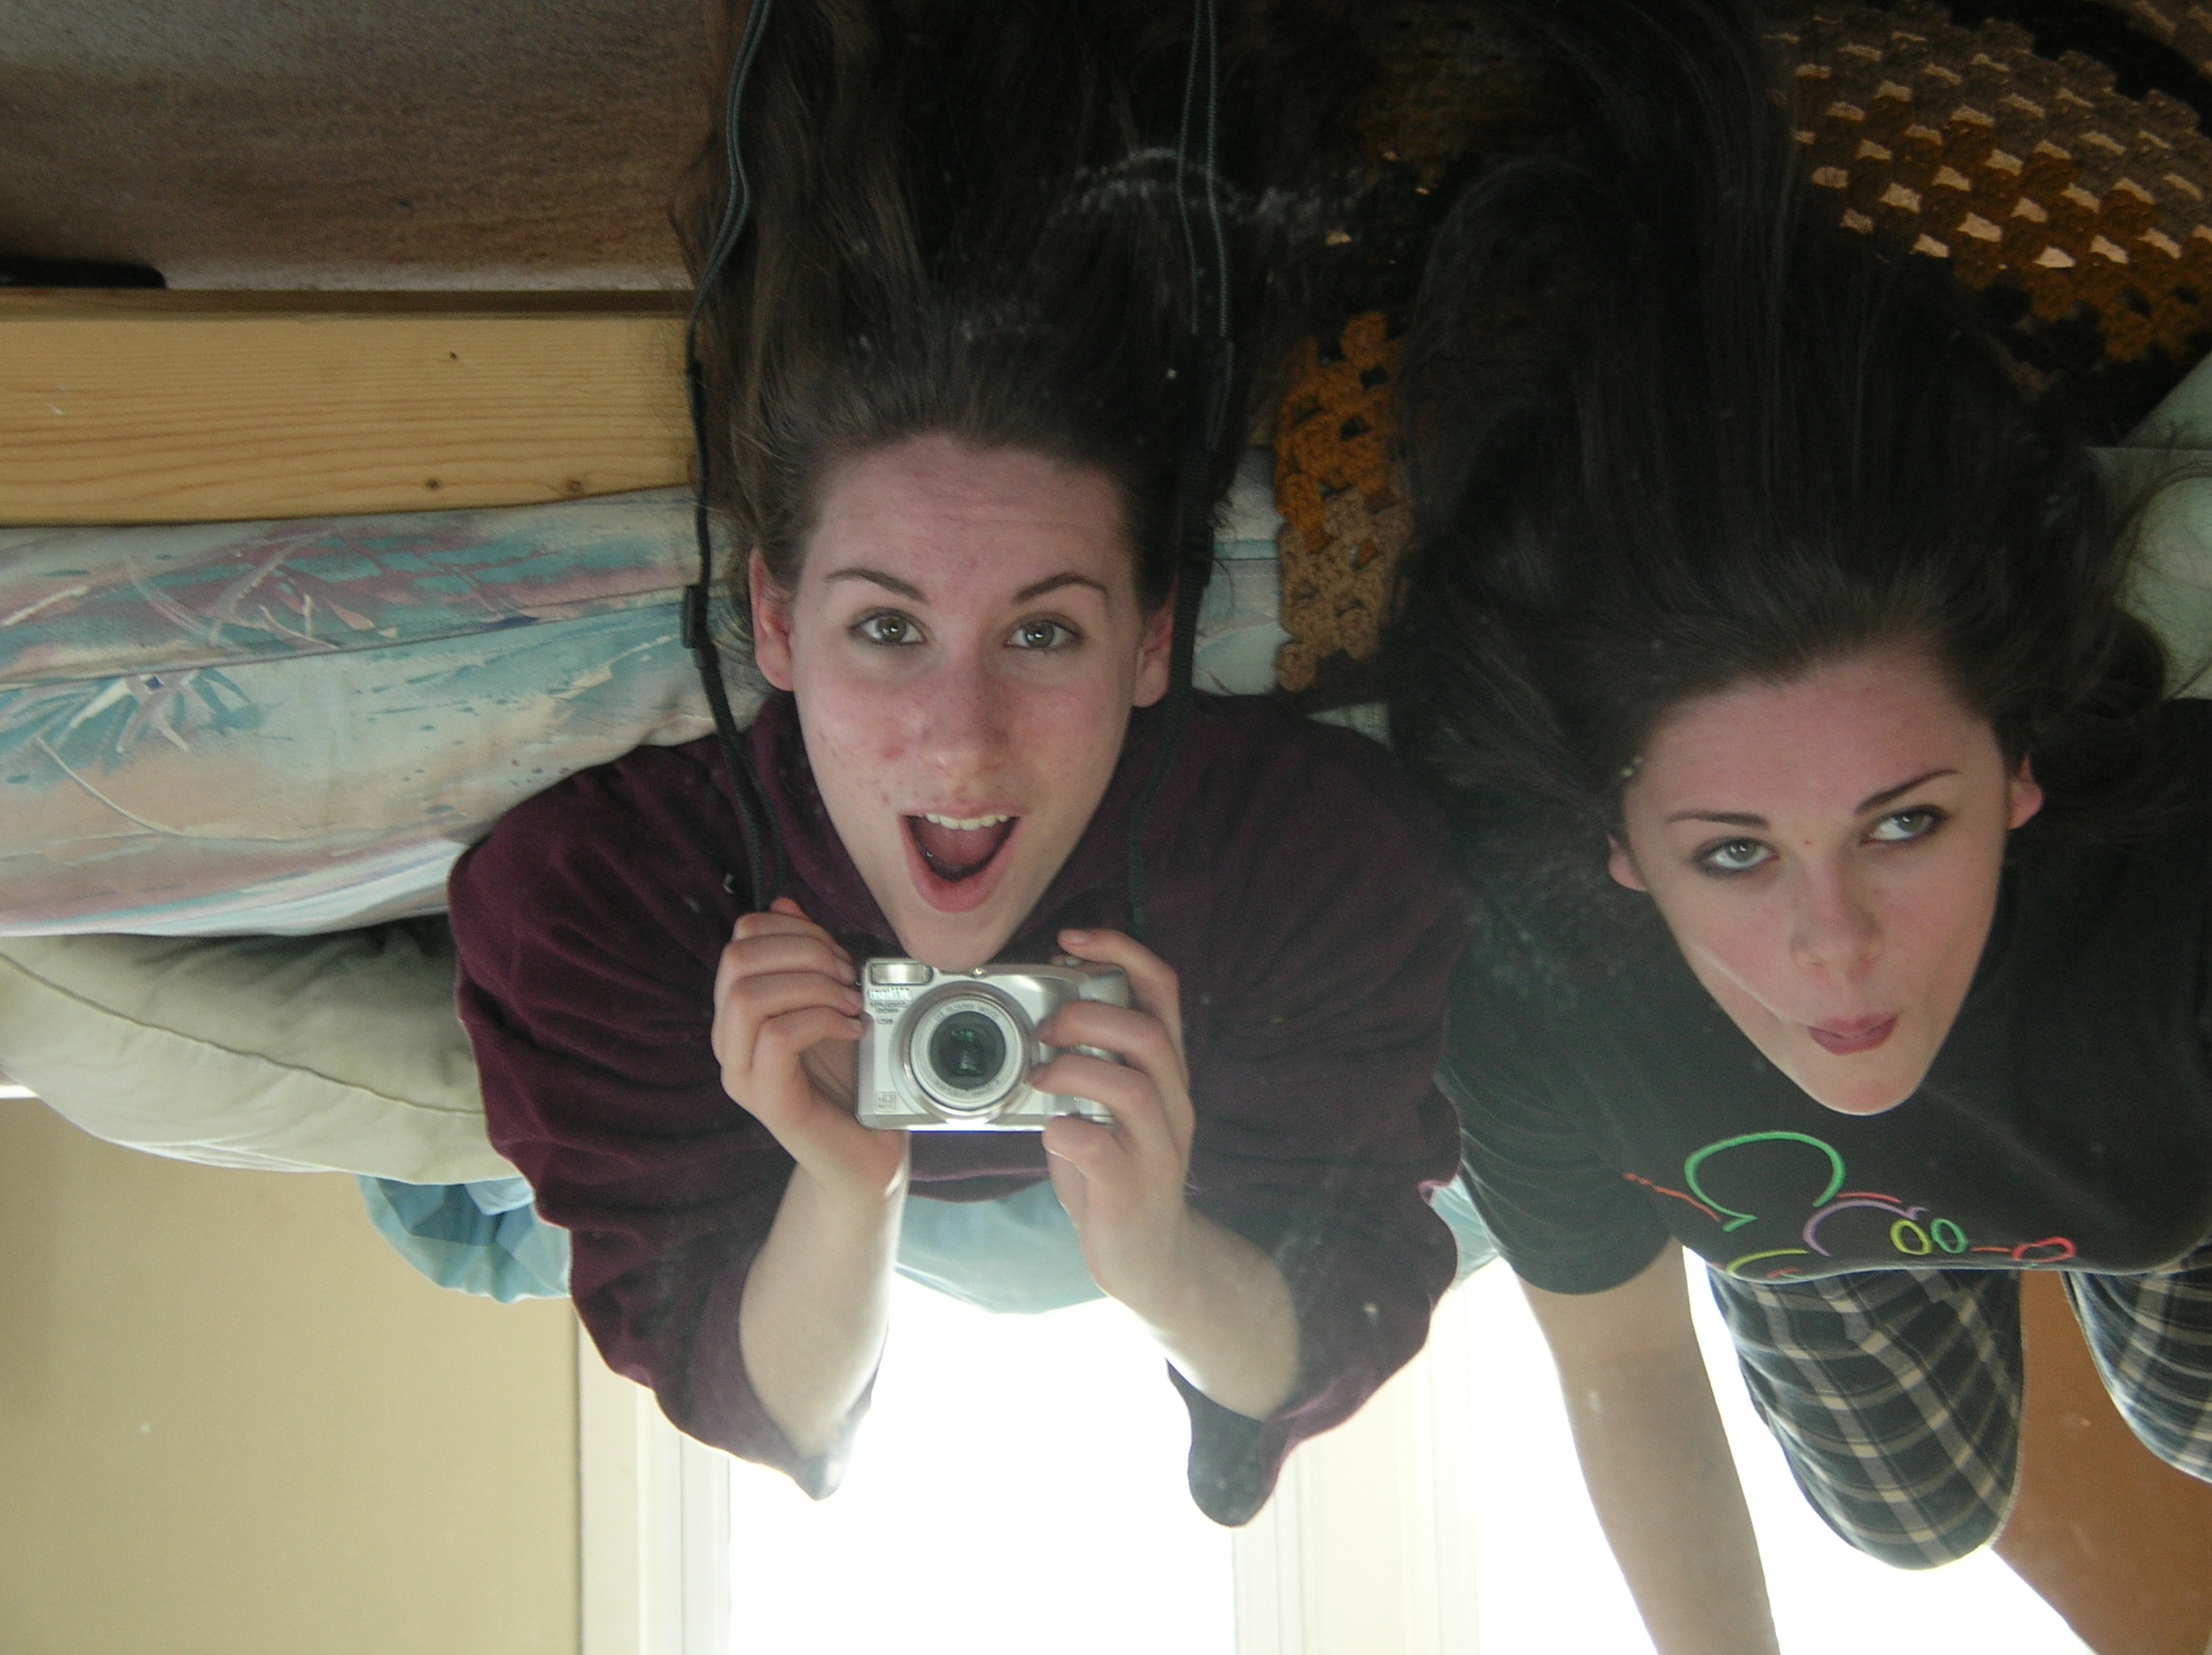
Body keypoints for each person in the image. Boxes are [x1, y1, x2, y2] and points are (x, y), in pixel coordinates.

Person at [447, 0, 1470, 1527]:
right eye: (885, 629)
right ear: (774, 623)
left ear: (1153, 640)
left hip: (1167, 1193)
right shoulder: (599, 898)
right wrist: (848, 1180)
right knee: (451, 1222)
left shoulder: (1319, 862)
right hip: (793, 1210)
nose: (963, 740)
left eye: (1045, 635)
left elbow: (1348, 1310)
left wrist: (1157, 1257)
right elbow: (752, 1395)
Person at [1382, 0, 2212, 1647]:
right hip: (1814, 1230)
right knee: (1909, 1519)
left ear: (2019, 766)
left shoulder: (2178, 914)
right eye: (1734, 853)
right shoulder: (1530, 1001)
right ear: (1617, 843)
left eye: (1905, 826)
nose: (1835, 950)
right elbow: (1626, 1366)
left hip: (2158, 1176)